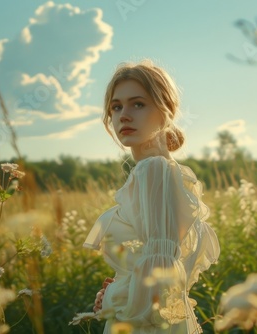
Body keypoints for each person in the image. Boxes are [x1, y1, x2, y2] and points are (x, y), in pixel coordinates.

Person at [83, 60, 220, 333]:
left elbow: (160, 283)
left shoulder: (153, 171)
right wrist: (119, 289)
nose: (124, 115)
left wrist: (111, 299)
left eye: (138, 104)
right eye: (116, 106)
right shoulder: (168, 172)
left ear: (165, 110)